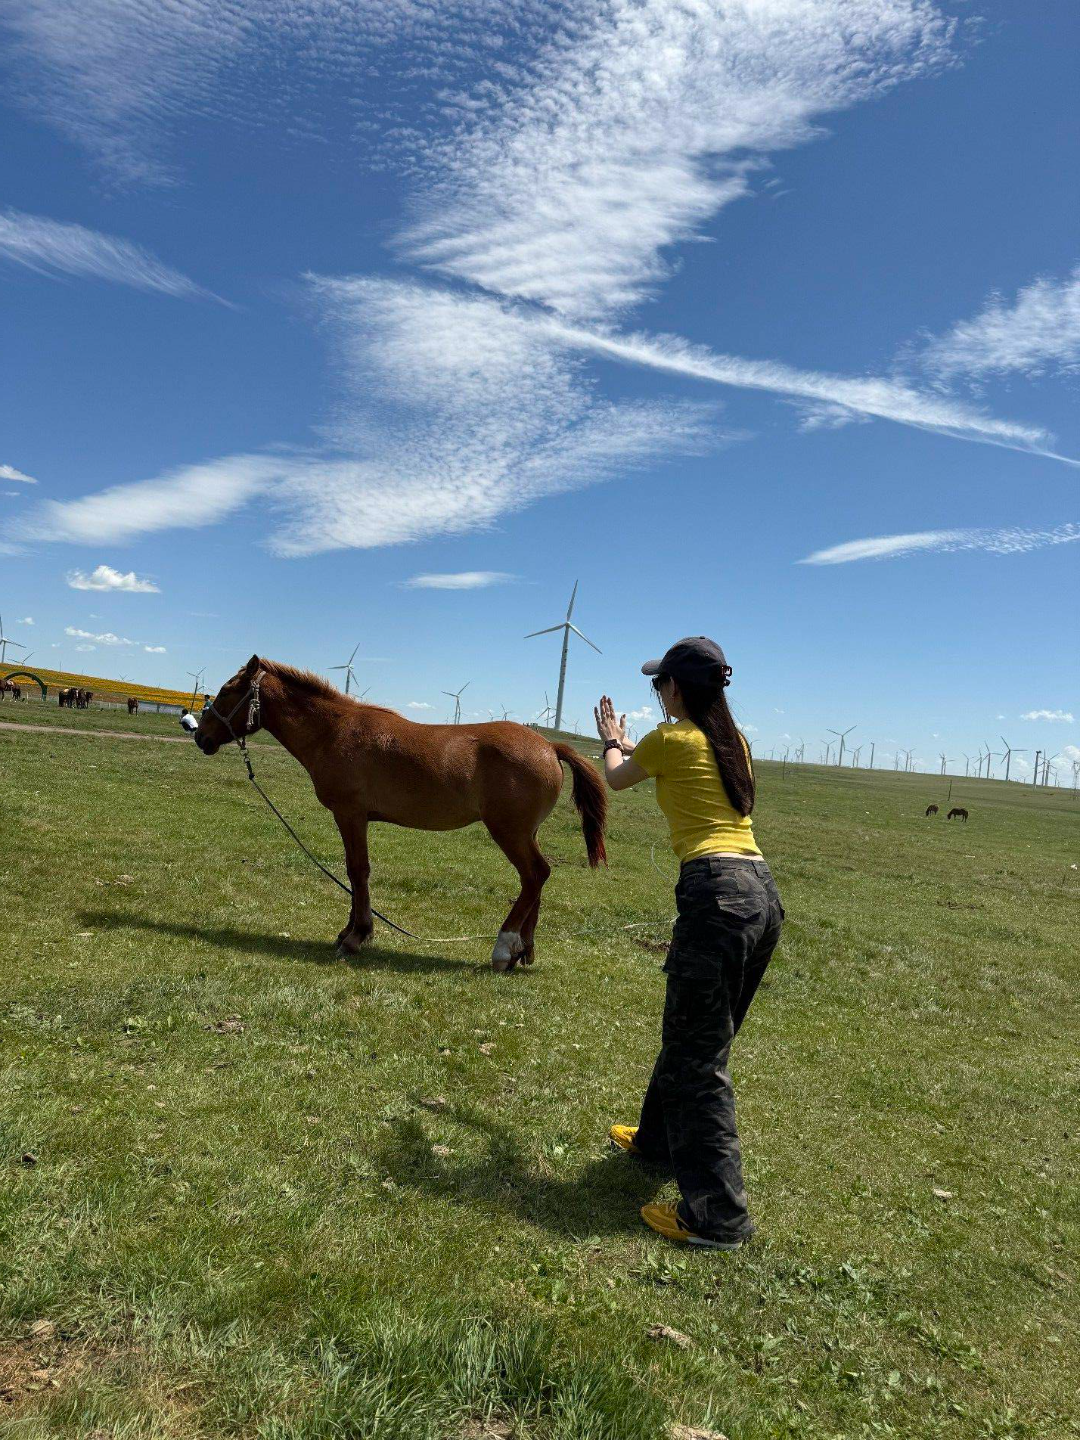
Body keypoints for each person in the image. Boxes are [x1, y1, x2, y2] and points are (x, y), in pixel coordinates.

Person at [594, 636, 784, 1250]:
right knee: (694, 1034)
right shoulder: (733, 741)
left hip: (716, 895)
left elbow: (616, 779)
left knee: (699, 1057)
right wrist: (634, 743)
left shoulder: (672, 738)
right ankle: (657, 1143)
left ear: (674, 689)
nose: (658, 693)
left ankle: (718, 1216)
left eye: (660, 685)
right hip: (760, 893)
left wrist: (612, 739)